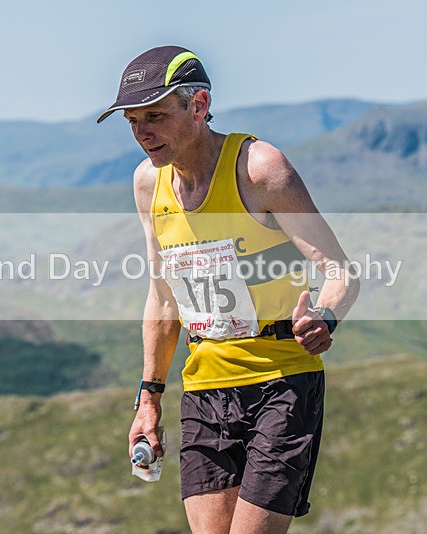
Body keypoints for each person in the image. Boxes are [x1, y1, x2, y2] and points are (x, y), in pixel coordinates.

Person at [98, 45, 360, 534]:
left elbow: (340, 271)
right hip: (204, 387)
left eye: (155, 115)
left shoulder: (259, 168)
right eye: (132, 120)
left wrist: (325, 316)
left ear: (198, 105)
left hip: (281, 381)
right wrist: (149, 399)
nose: (142, 132)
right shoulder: (145, 183)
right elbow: (163, 296)